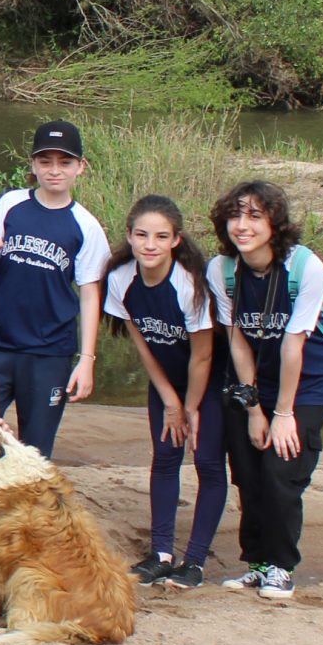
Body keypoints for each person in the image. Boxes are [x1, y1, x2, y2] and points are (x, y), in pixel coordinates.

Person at [207, 180, 323, 602]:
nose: (242, 226)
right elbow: (237, 340)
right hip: (255, 379)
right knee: (247, 471)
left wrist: (282, 414)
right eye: (235, 215)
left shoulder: (305, 267)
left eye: (254, 216)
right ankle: (258, 564)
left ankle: (281, 567)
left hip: (306, 380)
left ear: (275, 223)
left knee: (281, 469)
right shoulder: (222, 270)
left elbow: (293, 344)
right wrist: (253, 409)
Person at [0, 119, 110, 457]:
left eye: (65, 162)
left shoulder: (86, 226)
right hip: (1, 344)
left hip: (51, 352)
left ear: (81, 167)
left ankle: (30, 511)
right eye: (45, 162)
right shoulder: (11, 205)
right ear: (33, 165)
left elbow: (90, 294)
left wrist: (87, 359)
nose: (55, 171)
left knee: (35, 449)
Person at [105, 195, 224, 589]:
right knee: (165, 457)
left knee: (206, 463)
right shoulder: (122, 278)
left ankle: (194, 562)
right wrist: (170, 401)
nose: (149, 244)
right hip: (167, 383)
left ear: (176, 240)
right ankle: (160, 554)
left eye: (160, 236)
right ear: (129, 236)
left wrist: (190, 407)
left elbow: (203, 357)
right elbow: (143, 344)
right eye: (141, 235)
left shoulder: (189, 285)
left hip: (208, 383)